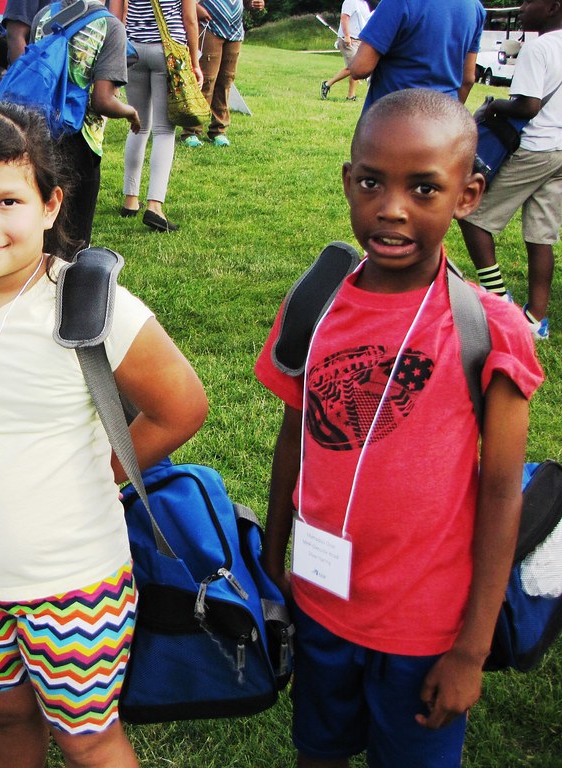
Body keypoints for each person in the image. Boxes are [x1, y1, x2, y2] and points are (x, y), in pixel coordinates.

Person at [0, 102, 207, 768]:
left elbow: (182, 408)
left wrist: (101, 473)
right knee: (2, 714)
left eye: (7, 200)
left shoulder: (91, 307)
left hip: (73, 581)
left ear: (52, 204)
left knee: (86, 735)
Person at [256, 89, 543, 768]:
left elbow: (503, 494)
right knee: (317, 751)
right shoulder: (316, 302)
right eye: (370, 182)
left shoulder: (489, 330)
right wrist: (274, 559)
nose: (391, 207)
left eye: (423, 188)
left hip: (425, 630)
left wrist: (470, 650)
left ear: (468, 195)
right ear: (347, 180)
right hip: (320, 604)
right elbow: (294, 438)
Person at [460, 0, 562, 342]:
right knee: (541, 235)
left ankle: (498, 299)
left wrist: (491, 108)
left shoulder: (541, 47)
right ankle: (535, 320)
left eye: (532, 1)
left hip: (535, 148)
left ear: (552, 7)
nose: (523, 6)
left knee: (473, 216)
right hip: (561, 152)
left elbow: (528, 106)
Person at [30, 0, 138, 247]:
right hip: (80, 140)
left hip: (37, 134)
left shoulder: (45, 16)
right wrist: (131, 112)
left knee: (39, 228)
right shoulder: (109, 24)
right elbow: (102, 101)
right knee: (74, 239)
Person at [119, 0, 199, 232]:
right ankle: (154, 205)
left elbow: (115, 15)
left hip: (133, 49)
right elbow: (190, 19)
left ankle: (130, 199)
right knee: (164, 130)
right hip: (167, 50)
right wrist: (194, 62)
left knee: (138, 125)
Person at [349, 0, 484, 112]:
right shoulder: (476, 8)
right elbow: (467, 80)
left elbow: (360, 68)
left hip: (391, 121)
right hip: (443, 125)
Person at [180, 0, 263, 148]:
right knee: (205, 80)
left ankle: (218, 130)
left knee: (225, 81)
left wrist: (254, 4)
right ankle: (191, 131)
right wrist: (195, 8)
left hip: (235, 31)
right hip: (210, 27)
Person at [319, 0, 370, 102]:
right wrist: (347, 36)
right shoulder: (350, 1)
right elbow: (344, 18)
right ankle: (327, 84)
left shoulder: (363, 4)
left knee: (355, 69)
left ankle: (351, 96)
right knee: (355, 67)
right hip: (348, 39)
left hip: (359, 40)